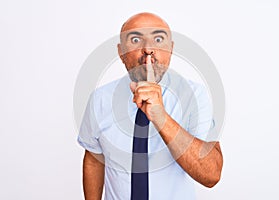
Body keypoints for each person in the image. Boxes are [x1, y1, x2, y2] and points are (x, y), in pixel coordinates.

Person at [78, 12, 223, 200]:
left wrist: (160, 117)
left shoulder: (195, 96)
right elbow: (94, 158)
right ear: (121, 52)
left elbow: (211, 175)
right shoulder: (100, 99)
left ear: (171, 49)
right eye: (136, 39)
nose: (148, 49)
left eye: (158, 39)